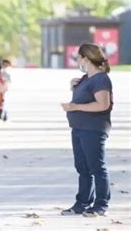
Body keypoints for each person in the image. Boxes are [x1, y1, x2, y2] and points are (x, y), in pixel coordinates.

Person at [61, 43, 113, 217]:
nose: (76, 59)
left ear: (85, 58)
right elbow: (85, 96)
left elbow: (103, 104)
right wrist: (72, 87)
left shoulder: (101, 79)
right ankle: (82, 202)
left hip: (93, 129)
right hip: (78, 128)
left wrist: (75, 106)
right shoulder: (86, 78)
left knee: (96, 167)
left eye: (78, 56)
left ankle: (100, 205)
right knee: (82, 168)